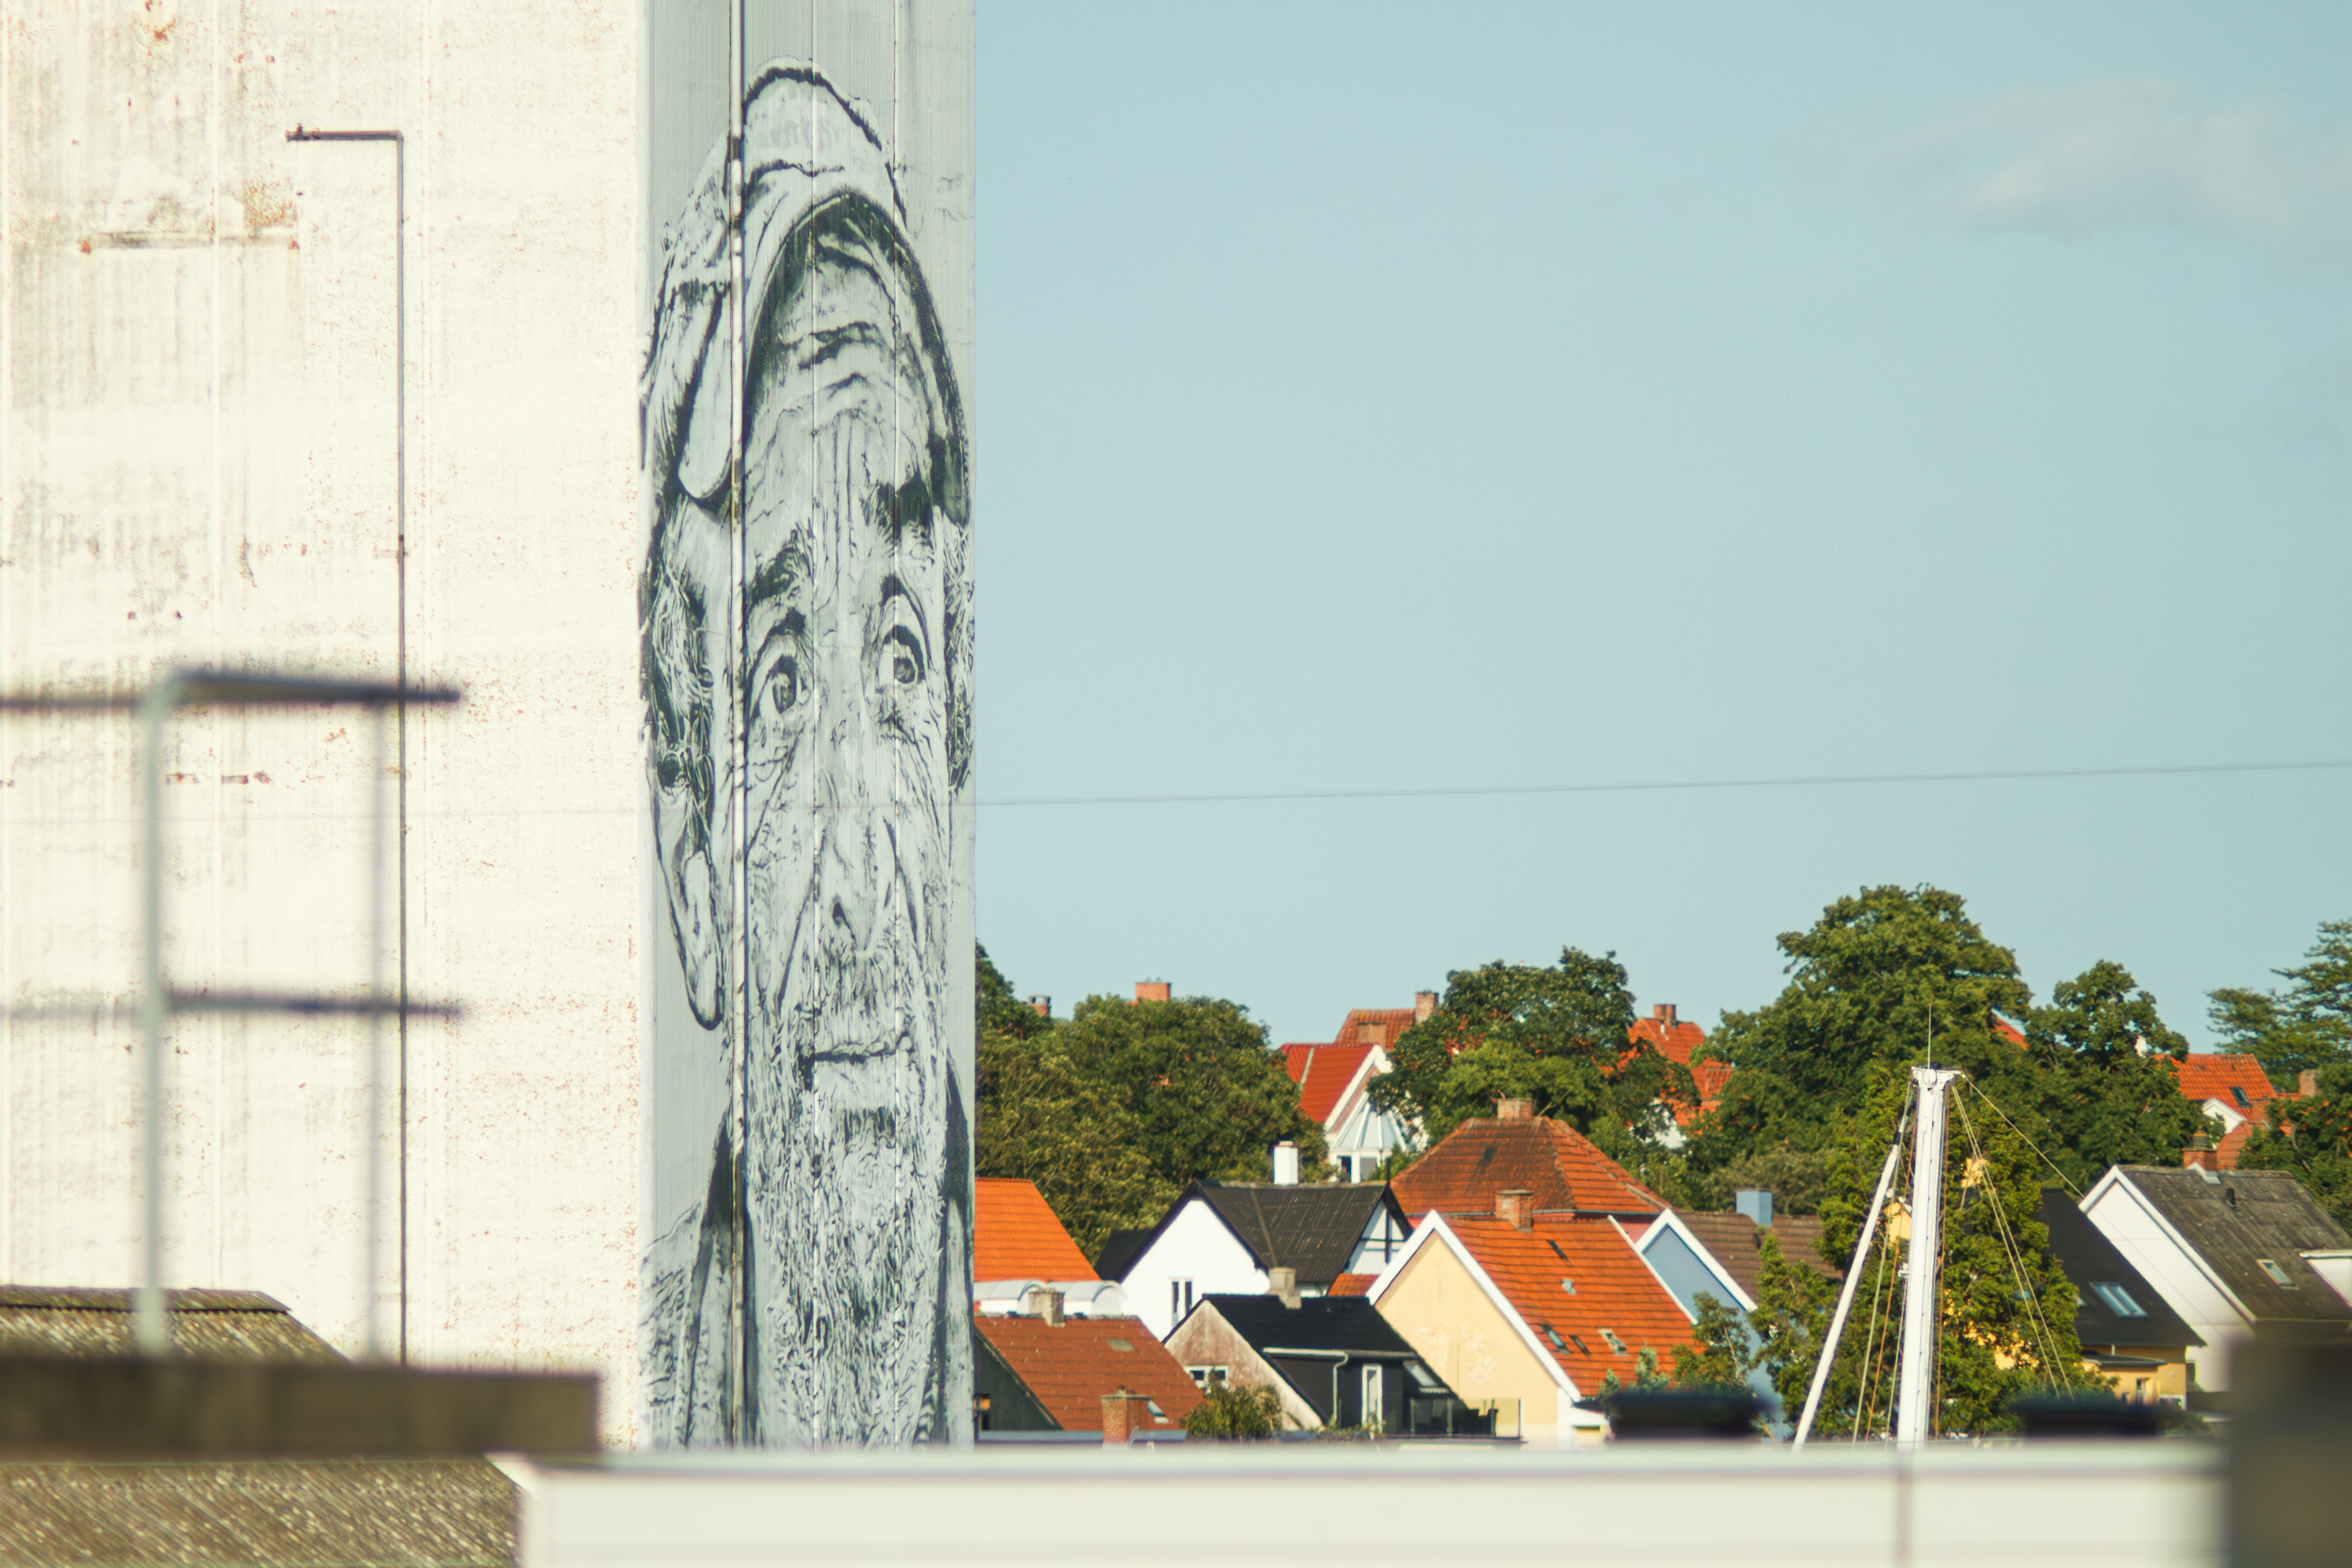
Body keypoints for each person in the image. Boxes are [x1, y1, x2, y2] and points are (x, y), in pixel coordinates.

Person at [637, 63, 973, 1446]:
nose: (856, 872)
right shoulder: (618, 1428)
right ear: (693, 868)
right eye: (777, 690)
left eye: (898, 658)